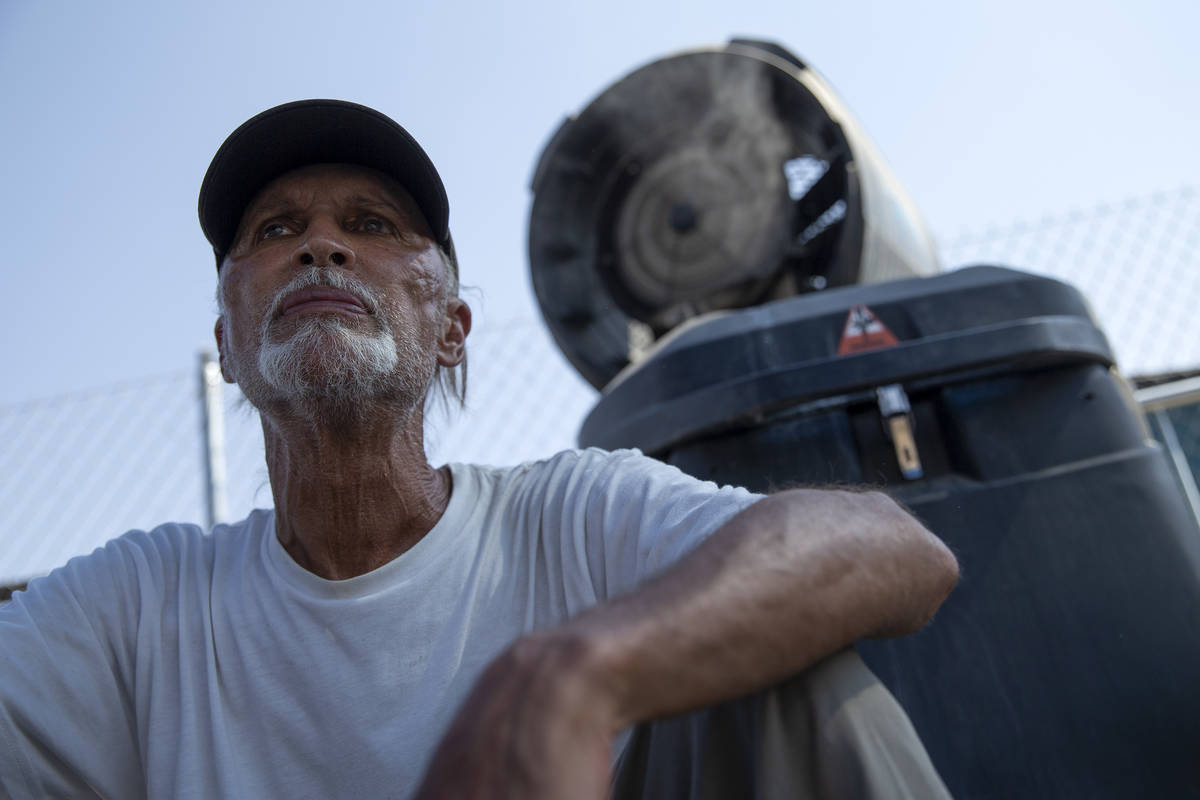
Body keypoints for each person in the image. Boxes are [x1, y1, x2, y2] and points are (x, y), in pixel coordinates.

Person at [0, 99, 959, 799]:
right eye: (275, 229)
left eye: (369, 225)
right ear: (229, 345)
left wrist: (576, 674)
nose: (319, 247)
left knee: (798, 676)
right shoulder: (136, 609)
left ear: (451, 327)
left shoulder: (571, 518)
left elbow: (894, 549)